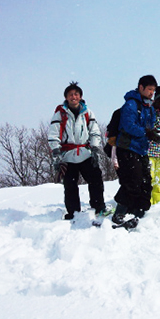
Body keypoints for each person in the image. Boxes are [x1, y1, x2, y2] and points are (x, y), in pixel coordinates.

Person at [48, 82, 107, 220]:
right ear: (66, 98)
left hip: (85, 153)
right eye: (70, 95)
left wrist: (95, 148)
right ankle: (73, 213)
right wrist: (56, 152)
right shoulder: (60, 114)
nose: (73, 97)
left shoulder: (87, 112)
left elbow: (95, 132)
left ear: (80, 96)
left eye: (76, 94)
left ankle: (99, 207)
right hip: (68, 155)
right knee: (70, 185)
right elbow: (53, 134)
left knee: (96, 179)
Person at [112, 75, 159, 224]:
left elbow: (151, 124)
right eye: (150, 89)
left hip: (142, 149)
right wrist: (146, 132)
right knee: (133, 180)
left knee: (146, 180)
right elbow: (128, 125)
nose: (152, 92)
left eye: (154, 90)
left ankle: (139, 209)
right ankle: (120, 211)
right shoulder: (131, 105)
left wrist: (153, 133)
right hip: (127, 147)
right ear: (141, 88)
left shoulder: (149, 108)